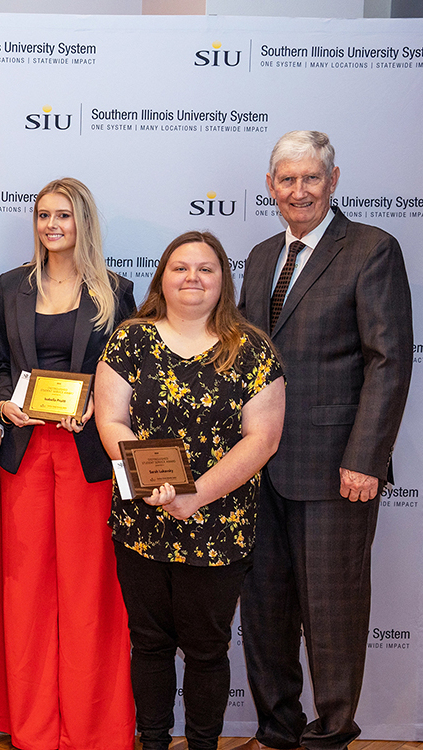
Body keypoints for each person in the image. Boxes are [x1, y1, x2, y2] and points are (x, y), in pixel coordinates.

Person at [235, 131, 413, 750]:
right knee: (264, 612)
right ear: (271, 187)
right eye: (287, 179)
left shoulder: (371, 249)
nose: (299, 191)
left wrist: (365, 459)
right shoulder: (259, 257)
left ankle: (334, 731)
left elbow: (388, 361)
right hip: (257, 469)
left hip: (337, 471)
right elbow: (243, 359)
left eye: (311, 178)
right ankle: (277, 728)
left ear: (334, 182)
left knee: (333, 614)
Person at [94, 231, 285, 750]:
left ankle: (203, 745)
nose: (192, 279)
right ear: (163, 277)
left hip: (219, 524)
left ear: (224, 279)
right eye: (180, 268)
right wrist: (148, 479)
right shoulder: (130, 340)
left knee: (206, 649)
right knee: (150, 644)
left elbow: (263, 438)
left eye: (206, 269)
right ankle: (152, 742)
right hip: (143, 519)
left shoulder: (251, 349)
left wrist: (195, 495)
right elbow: (110, 418)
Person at [0, 177, 136, 750]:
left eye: (64, 216)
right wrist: (3, 399)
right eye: (44, 215)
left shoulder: (116, 291)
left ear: (83, 223)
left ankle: (93, 726)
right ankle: (32, 724)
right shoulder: (14, 286)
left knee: (89, 590)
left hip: (89, 456)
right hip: (24, 455)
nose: (52, 225)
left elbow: (127, 370)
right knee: (25, 591)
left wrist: (98, 403)